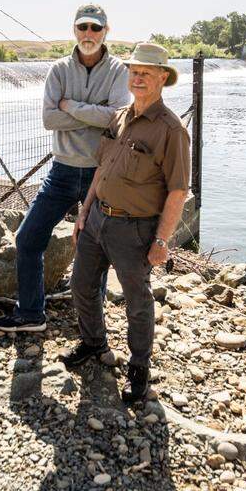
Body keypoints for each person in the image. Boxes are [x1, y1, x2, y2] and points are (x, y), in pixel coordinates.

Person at [61, 42, 190, 404]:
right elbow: (102, 169)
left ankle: (138, 370)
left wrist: (161, 241)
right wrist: (85, 211)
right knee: (81, 284)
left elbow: (178, 192)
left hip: (134, 230)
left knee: (137, 302)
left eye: (147, 73)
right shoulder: (120, 116)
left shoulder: (172, 130)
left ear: (163, 78)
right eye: (134, 71)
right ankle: (93, 343)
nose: (138, 78)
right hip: (98, 218)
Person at [0, 4, 129, 333]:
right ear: (74, 30)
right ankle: (31, 313)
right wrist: (92, 112)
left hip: (101, 172)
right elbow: (48, 118)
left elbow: (117, 118)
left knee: (94, 246)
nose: (88, 34)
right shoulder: (58, 70)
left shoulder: (118, 70)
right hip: (62, 170)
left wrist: (70, 106)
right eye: (83, 27)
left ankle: (91, 319)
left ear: (106, 31)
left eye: (95, 28)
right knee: (28, 238)